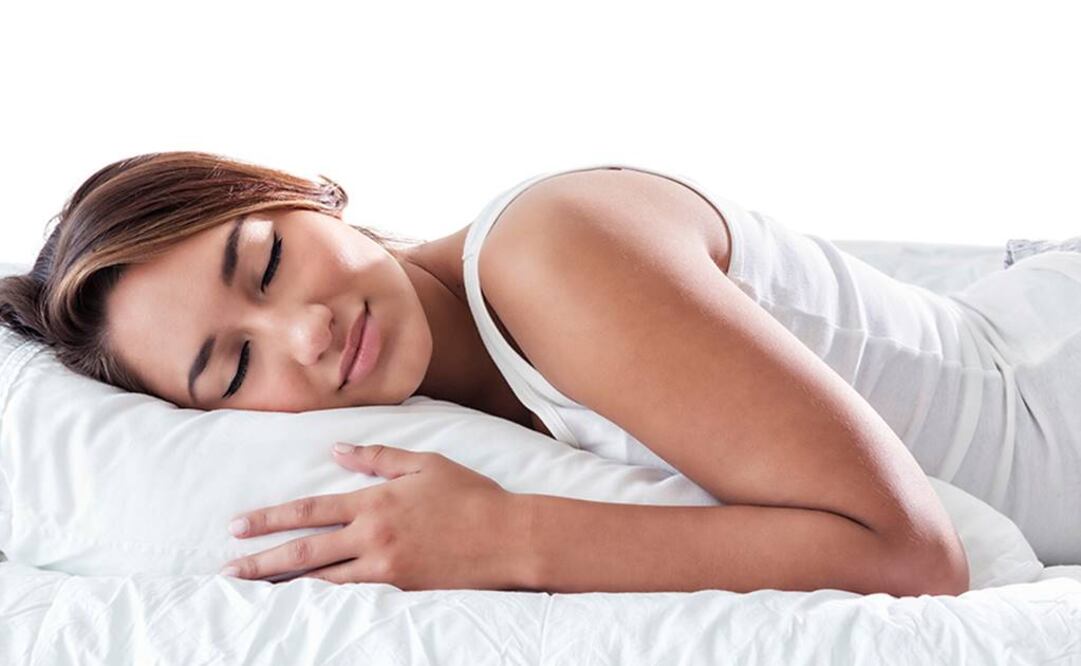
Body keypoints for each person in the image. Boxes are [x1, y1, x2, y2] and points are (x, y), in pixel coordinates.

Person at [0, 151, 1064, 595]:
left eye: (267, 263)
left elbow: (911, 556)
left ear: (303, 193)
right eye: (232, 369)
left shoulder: (550, 253)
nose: (306, 335)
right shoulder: (453, 393)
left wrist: (508, 535)